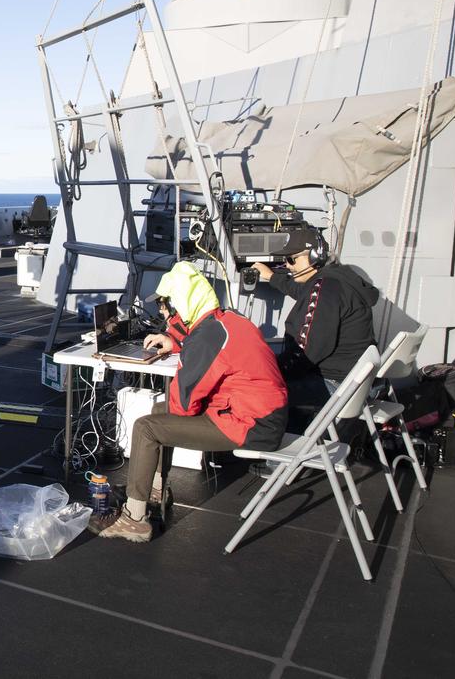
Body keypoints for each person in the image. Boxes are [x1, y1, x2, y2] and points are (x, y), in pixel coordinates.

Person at [98, 261, 288, 542]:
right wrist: (174, 341)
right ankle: (155, 488)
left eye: (166, 304)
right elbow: (204, 342)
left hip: (250, 424)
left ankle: (134, 518)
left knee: (146, 427)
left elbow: (183, 407)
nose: (162, 311)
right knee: (157, 411)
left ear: (182, 303)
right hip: (258, 413)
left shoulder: (208, 340)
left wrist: (183, 356)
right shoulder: (225, 322)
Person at [251, 228, 378, 431]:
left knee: (258, 391)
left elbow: (306, 352)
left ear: (314, 256)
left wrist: (266, 371)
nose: (288, 265)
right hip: (354, 383)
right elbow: (305, 292)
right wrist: (273, 277)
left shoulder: (325, 290)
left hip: (334, 385)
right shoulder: (337, 279)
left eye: (292, 259)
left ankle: (276, 460)